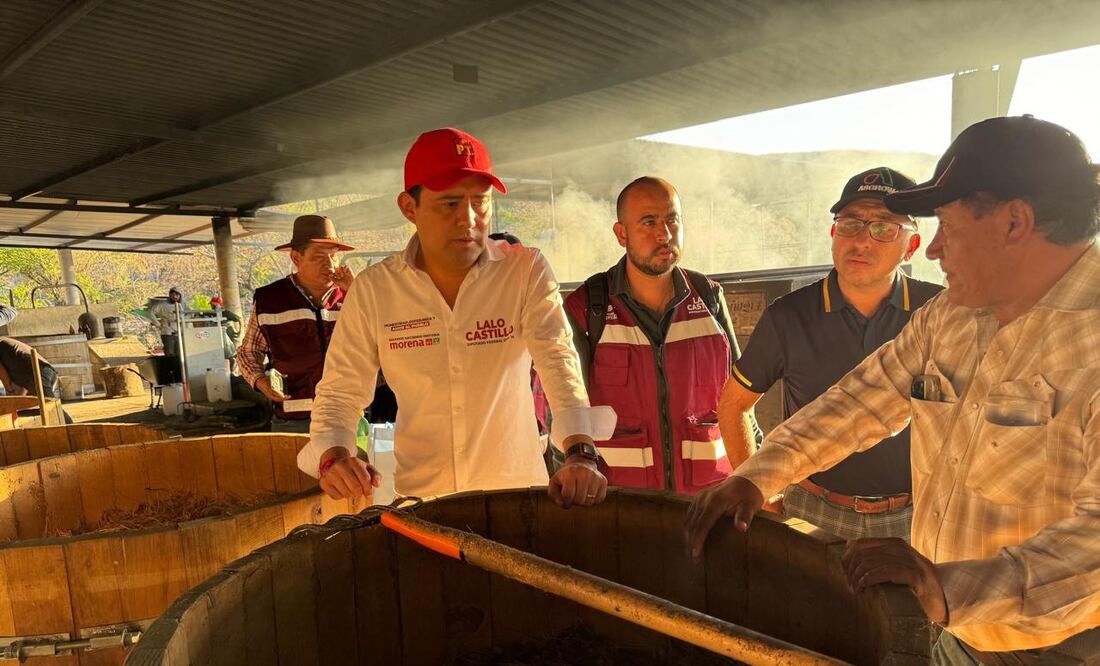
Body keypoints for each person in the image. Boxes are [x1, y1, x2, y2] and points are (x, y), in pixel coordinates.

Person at [685, 116, 1100, 661]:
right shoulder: (951, 316)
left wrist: (943, 588)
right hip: (954, 634)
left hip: (1058, 649)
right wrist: (758, 475)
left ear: (1014, 223)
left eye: (947, 226)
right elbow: (859, 402)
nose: (933, 250)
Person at [301, 127, 613, 507]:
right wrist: (334, 455)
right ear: (409, 207)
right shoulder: (376, 290)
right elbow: (340, 390)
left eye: (480, 202)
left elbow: (558, 361)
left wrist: (580, 451)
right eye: (449, 204)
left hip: (516, 497)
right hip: (426, 502)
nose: (468, 219)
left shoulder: (524, 271)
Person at [720, 167, 941, 539]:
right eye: (851, 224)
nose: (863, 241)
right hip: (811, 507)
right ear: (833, 232)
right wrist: (757, 487)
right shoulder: (788, 316)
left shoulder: (937, 312)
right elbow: (733, 404)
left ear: (912, 247)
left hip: (914, 513)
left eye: (884, 228)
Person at [563, 176, 743, 494]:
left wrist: (753, 481)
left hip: (710, 503)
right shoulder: (587, 309)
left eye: (672, 219)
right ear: (622, 234)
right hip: (623, 510)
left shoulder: (710, 298)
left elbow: (741, 405)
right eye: (648, 222)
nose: (664, 234)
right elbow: (563, 413)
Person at [236, 215, 355, 433]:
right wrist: (261, 382)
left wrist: (357, 293)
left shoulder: (352, 294)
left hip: (347, 415)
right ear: (296, 258)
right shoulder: (270, 299)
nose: (329, 264)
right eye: (319, 257)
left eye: (333, 256)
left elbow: (380, 340)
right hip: (293, 420)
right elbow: (248, 352)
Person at [0, 337, 72, 422]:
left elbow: (3, 375)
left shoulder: (2, 345)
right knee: (42, 409)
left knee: (50, 408)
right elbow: (26, 382)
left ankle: (73, 430)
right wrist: (16, 408)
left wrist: (10, 396)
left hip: (40, 372)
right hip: (41, 373)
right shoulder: (11, 356)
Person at [149, 287, 183, 356]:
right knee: (170, 353)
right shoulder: (162, 304)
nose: (175, 297)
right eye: (173, 295)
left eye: (177, 295)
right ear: (170, 295)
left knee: (179, 353)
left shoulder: (180, 305)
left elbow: (184, 316)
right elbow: (150, 312)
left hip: (178, 332)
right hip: (167, 332)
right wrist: (157, 323)